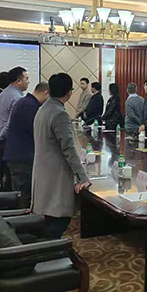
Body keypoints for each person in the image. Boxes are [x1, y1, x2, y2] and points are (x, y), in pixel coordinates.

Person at [32, 73, 91, 238]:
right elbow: (69, 149)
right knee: (59, 219)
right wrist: (83, 177)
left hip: (42, 171)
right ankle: (47, 248)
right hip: (55, 174)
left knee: (50, 218)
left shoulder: (42, 109)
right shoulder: (60, 114)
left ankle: (46, 246)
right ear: (69, 92)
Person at [4, 82, 50, 208]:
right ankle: (22, 218)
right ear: (46, 93)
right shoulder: (29, 106)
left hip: (18, 155)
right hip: (23, 158)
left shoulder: (25, 102)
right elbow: (35, 131)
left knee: (21, 193)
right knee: (24, 195)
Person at [0, 67, 30, 189]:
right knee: (14, 180)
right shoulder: (18, 99)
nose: (28, 81)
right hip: (10, 142)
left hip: (1, 141)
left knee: (7, 176)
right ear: (18, 81)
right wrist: (0, 135)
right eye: (27, 78)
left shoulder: (2, 94)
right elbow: (12, 123)